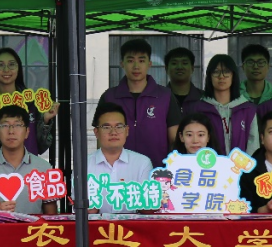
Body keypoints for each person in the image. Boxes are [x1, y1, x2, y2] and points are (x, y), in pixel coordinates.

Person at [0, 47, 57, 164]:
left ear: (18, 69)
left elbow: (42, 147)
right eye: (0, 65)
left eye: (12, 65)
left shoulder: (32, 102)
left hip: (26, 171)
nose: (6, 70)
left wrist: (45, 121)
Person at [98, 39, 181, 167]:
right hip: (118, 171)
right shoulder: (109, 97)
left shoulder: (165, 96)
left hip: (157, 171)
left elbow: (175, 140)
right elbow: (101, 138)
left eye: (141, 61)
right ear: (122, 64)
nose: (136, 66)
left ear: (149, 64)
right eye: (130, 61)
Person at [0, 104, 58, 215]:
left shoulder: (44, 168)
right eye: (5, 125)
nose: (11, 131)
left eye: (17, 125)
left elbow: (51, 215)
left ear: (27, 132)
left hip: (34, 226)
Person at [86, 102, 154, 213]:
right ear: (96, 132)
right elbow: (85, 210)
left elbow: (147, 210)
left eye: (119, 127)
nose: (113, 132)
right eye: (106, 127)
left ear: (127, 131)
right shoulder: (84, 165)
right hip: (96, 224)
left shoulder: (142, 163)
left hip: (132, 224)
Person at [194, 55, 259, 156]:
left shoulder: (247, 109)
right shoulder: (199, 109)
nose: (221, 76)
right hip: (209, 164)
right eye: (216, 72)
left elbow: (253, 145)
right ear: (209, 76)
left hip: (241, 165)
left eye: (226, 71)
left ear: (233, 75)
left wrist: (246, 166)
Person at [164, 46, 204, 115]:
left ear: (192, 68)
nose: (179, 67)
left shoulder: (204, 99)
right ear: (166, 69)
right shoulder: (158, 98)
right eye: (174, 63)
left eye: (185, 63)